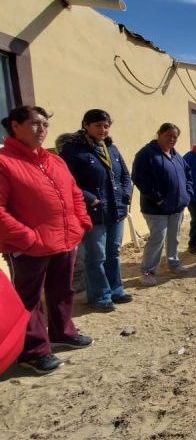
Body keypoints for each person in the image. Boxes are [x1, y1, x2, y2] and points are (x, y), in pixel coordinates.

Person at [0, 106, 93, 374]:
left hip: (64, 240)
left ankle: (62, 333)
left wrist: (80, 222)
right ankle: (34, 351)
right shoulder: (5, 161)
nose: (42, 129)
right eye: (34, 124)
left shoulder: (55, 161)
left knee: (62, 291)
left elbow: (74, 193)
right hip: (28, 247)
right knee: (28, 300)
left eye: (45, 124)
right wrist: (27, 238)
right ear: (15, 126)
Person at [59, 109, 133, 312]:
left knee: (113, 253)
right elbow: (67, 181)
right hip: (94, 213)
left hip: (115, 210)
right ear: (86, 125)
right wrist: (90, 198)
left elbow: (125, 175)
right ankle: (100, 297)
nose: (103, 129)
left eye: (106, 125)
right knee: (96, 256)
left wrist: (126, 193)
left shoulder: (111, 148)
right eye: (98, 125)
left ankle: (116, 290)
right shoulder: (73, 150)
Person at [132, 123, 194, 286]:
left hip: (177, 206)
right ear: (159, 134)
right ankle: (147, 271)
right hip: (155, 208)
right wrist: (158, 198)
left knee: (174, 236)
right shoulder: (147, 154)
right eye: (168, 135)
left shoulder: (176, 155)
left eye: (175, 137)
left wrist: (188, 193)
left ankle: (173, 263)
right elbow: (139, 178)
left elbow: (188, 175)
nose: (172, 139)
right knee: (157, 238)